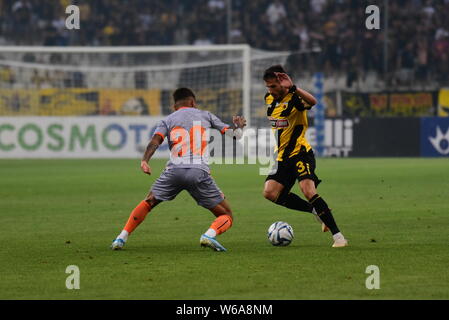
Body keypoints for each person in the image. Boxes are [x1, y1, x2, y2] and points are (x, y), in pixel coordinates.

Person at [111, 87, 246, 252]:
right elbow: (236, 136)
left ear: (175, 106)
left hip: (174, 171)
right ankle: (209, 235)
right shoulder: (206, 115)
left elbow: (155, 141)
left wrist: (145, 160)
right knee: (226, 214)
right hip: (199, 171)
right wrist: (239, 127)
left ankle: (121, 238)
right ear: (193, 102)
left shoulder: (168, 120)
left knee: (149, 202)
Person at [262, 65, 348, 248]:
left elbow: (314, 102)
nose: (271, 90)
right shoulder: (268, 98)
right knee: (270, 193)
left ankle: (339, 237)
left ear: (283, 83)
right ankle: (316, 211)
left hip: (300, 153)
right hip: (282, 157)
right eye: (268, 86)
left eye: (274, 86)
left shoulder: (295, 99)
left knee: (308, 190)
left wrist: (293, 88)